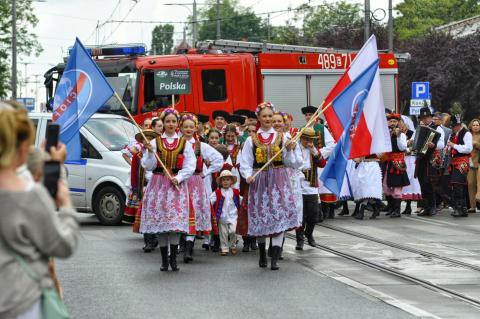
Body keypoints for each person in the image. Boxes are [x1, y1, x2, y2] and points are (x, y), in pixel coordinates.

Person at [0, 105, 79, 318]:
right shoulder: (29, 196)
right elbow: (64, 244)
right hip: (21, 304)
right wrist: (65, 205)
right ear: (24, 146)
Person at [239, 101, 302, 270]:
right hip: (259, 182)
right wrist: (248, 176)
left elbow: (293, 163)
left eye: (270, 116)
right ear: (258, 118)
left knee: (278, 216)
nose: (267, 119)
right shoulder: (251, 140)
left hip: (279, 181)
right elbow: (245, 162)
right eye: (264, 116)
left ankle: (274, 257)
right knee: (261, 216)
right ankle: (261, 253)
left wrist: (290, 150)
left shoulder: (283, 137)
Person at [140, 108, 196, 272]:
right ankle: (164, 260)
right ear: (163, 123)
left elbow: (190, 165)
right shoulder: (155, 142)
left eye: (173, 121)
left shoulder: (184, 143)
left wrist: (178, 178)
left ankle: (173, 260)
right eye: (167, 121)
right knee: (163, 223)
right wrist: (150, 154)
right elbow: (148, 166)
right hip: (158, 186)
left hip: (176, 186)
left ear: (177, 123)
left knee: (175, 223)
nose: (170, 124)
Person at [180, 114, 223, 262]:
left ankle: (188, 247)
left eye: (191, 126)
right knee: (181, 212)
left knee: (193, 213)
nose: (188, 129)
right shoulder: (176, 144)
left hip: (195, 182)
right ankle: (181, 243)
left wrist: (206, 172)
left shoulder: (200, 145)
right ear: (181, 128)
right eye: (185, 126)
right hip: (180, 182)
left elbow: (218, 159)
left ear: (196, 128)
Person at [295, 127, 324, 250]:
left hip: (311, 186)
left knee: (314, 215)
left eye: (311, 139)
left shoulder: (313, 149)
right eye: (307, 139)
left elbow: (323, 163)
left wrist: (314, 150)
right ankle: (300, 239)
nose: (309, 142)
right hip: (298, 186)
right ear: (301, 138)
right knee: (300, 215)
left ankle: (309, 233)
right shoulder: (295, 148)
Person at [415, 107, 445, 217]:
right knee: (422, 183)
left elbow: (442, 143)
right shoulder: (419, 128)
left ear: (430, 117)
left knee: (429, 183)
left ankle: (433, 207)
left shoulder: (437, 128)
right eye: (423, 117)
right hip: (421, 158)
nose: (425, 119)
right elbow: (415, 142)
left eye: (427, 117)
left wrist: (434, 145)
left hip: (431, 158)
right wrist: (412, 145)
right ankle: (426, 207)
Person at [382, 113, 410, 218]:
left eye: (394, 121)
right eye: (391, 121)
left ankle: (397, 210)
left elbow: (402, 147)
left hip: (397, 163)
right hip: (387, 162)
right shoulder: (386, 134)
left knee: (397, 187)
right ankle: (391, 207)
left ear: (398, 122)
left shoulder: (401, 134)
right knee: (386, 186)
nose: (392, 123)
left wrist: (398, 136)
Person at [210, 170, 241, 256]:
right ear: (220, 182)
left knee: (233, 231)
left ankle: (233, 245)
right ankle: (224, 248)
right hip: (222, 216)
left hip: (233, 216)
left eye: (228, 180)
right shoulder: (217, 193)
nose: (226, 182)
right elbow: (211, 201)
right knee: (223, 233)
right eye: (223, 180)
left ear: (231, 181)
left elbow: (241, 200)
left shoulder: (235, 192)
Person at [448, 114, 473, 217]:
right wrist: (449, 148)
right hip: (455, 161)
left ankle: (460, 208)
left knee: (458, 183)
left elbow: (468, 148)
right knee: (456, 185)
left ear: (460, 124)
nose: (456, 127)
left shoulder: (466, 133)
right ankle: (461, 208)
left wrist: (454, 145)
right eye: (454, 125)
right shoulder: (454, 134)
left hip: (462, 161)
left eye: (457, 125)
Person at [399, 119, 422, 215]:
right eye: (399, 123)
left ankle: (408, 206)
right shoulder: (398, 133)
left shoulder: (412, 133)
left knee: (410, 180)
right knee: (402, 181)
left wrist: (407, 146)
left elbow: (415, 145)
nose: (400, 125)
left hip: (410, 159)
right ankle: (402, 205)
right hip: (402, 159)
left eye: (401, 123)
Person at [467, 119, 480, 212]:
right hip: (469, 163)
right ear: (471, 126)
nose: (475, 127)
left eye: (477, 125)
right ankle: (472, 206)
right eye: (474, 125)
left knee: (479, 185)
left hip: (478, 163)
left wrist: (477, 144)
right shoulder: (468, 136)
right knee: (470, 184)